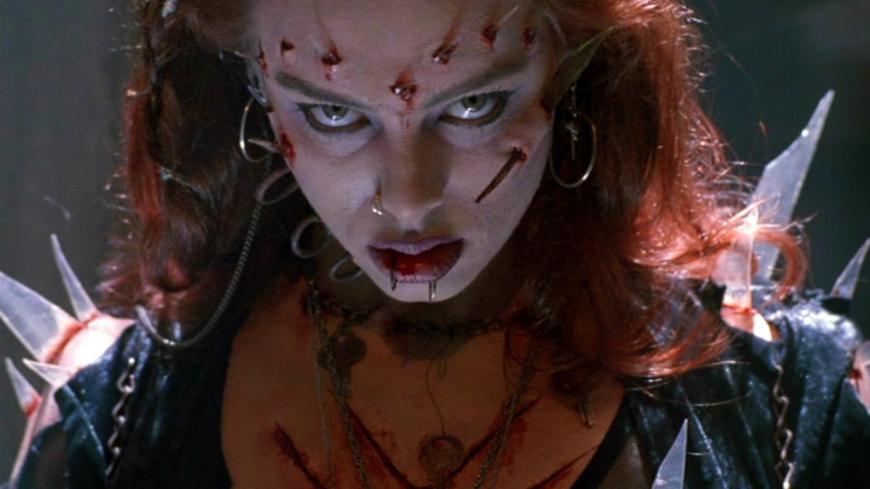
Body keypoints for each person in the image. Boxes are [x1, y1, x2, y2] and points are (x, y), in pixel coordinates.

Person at [2, 0, 868, 487]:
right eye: (332, 113)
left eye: (475, 105)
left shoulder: (791, 409)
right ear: (255, 91)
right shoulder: (116, 426)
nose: (409, 195)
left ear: (577, 69)